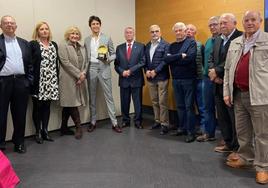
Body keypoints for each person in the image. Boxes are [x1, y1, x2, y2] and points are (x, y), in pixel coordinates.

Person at [223, 11, 268, 185]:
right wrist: (226, 92)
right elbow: (227, 69)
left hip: (260, 96)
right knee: (242, 131)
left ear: (260, 21)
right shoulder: (236, 42)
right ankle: (246, 157)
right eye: (246, 20)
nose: (249, 23)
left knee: (262, 134)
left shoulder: (266, 40)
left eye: (253, 20)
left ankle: (263, 167)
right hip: (238, 94)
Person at [208, 13, 242, 152]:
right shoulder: (217, 39)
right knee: (222, 117)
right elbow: (211, 57)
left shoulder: (241, 37)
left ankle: (237, 148)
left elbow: (233, 59)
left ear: (234, 23)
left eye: (225, 23)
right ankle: (228, 143)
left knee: (235, 118)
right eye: (221, 23)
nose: (222, 26)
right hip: (217, 84)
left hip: (232, 85)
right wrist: (213, 74)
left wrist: (216, 70)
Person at [0, 15, 33, 153]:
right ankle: (1, 144)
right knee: (1, 115)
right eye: (6, 23)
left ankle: (19, 142)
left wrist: (28, 81)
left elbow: (30, 64)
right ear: (1, 26)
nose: (9, 25)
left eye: (12, 23)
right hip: (2, 82)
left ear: (16, 26)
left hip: (21, 82)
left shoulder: (24, 43)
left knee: (20, 114)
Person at [84, 15, 122, 133]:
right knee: (92, 97)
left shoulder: (107, 38)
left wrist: (108, 60)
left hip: (104, 67)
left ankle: (114, 123)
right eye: (93, 24)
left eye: (97, 24)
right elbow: (86, 56)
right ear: (90, 26)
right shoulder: (87, 40)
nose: (95, 26)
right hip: (92, 68)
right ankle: (93, 121)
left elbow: (114, 53)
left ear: (100, 25)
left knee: (109, 96)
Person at [165, 22, 197, 143]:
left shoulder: (191, 43)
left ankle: (191, 132)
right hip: (176, 79)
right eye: (176, 30)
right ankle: (182, 128)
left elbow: (190, 58)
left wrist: (174, 58)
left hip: (188, 79)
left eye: (180, 30)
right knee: (180, 106)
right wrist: (180, 56)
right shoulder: (172, 45)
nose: (178, 32)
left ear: (184, 31)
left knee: (189, 106)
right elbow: (166, 59)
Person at [30, 21, 59, 144]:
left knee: (47, 107)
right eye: (41, 29)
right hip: (39, 81)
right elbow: (29, 64)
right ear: (37, 32)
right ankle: (37, 132)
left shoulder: (54, 45)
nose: (44, 31)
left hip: (51, 81)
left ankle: (45, 131)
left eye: (46, 29)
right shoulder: (33, 45)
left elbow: (55, 63)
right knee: (37, 107)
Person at [58, 26, 88, 139]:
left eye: (76, 34)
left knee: (68, 104)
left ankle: (63, 128)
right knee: (72, 103)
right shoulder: (63, 45)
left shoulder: (81, 47)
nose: (75, 35)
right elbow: (65, 63)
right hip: (67, 79)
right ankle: (79, 127)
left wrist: (83, 74)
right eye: (72, 33)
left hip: (80, 78)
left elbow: (86, 62)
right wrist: (79, 74)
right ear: (68, 35)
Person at [194, 17, 220, 142]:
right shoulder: (209, 41)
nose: (212, 27)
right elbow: (206, 59)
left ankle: (227, 138)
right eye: (210, 25)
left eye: (215, 24)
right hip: (206, 78)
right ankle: (209, 133)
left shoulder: (224, 40)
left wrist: (216, 74)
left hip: (219, 78)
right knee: (207, 106)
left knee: (222, 109)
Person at [114, 27, 145, 129]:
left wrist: (130, 70)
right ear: (124, 34)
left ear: (134, 34)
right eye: (127, 33)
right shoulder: (119, 48)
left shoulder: (141, 46)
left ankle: (138, 121)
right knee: (124, 102)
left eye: (130, 32)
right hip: (124, 79)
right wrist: (122, 72)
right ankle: (125, 120)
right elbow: (116, 64)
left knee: (137, 103)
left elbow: (142, 62)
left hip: (136, 79)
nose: (128, 34)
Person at [144, 25, 169, 135]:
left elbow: (165, 61)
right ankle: (157, 121)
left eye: (156, 31)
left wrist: (155, 71)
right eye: (152, 32)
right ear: (150, 33)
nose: (154, 33)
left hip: (162, 77)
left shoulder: (166, 45)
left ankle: (165, 124)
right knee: (154, 101)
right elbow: (145, 60)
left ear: (160, 32)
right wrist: (147, 71)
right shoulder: (148, 45)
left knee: (162, 101)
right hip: (150, 78)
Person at [185, 24, 205, 137]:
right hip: (187, 79)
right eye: (187, 29)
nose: (188, 31)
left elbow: (203, 62)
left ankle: (203, 128)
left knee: (201, 105)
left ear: (195, 32)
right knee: (189, 105)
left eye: (191, 29)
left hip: (199, 79)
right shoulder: (182, 45)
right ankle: (191, 127)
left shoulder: (200, 45)